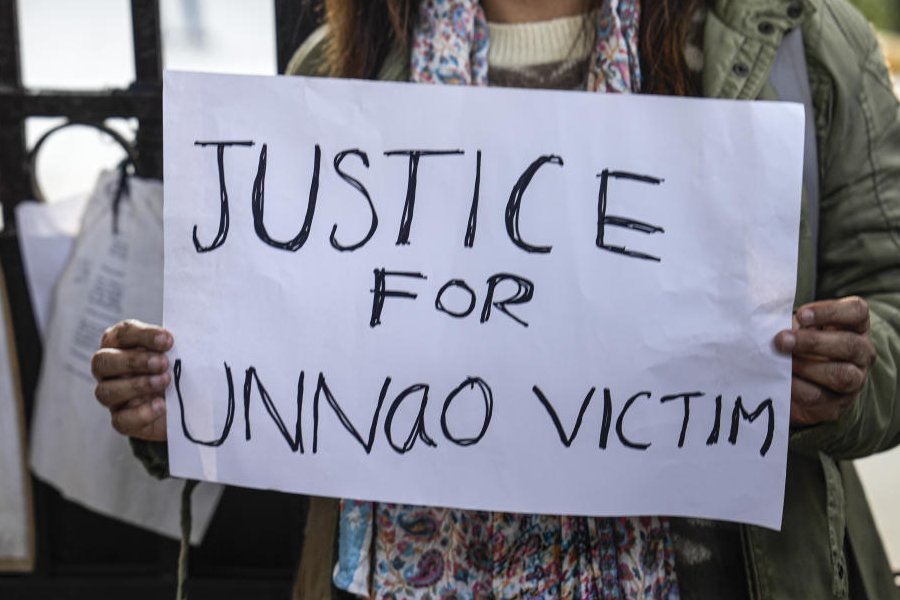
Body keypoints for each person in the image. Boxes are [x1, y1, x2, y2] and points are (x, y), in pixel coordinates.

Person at [90, 0, 900, 598]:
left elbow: (888, 310)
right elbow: (284, 371)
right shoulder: (338, 66)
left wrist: (843, 380)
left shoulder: (794, 42)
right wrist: (182, 397)